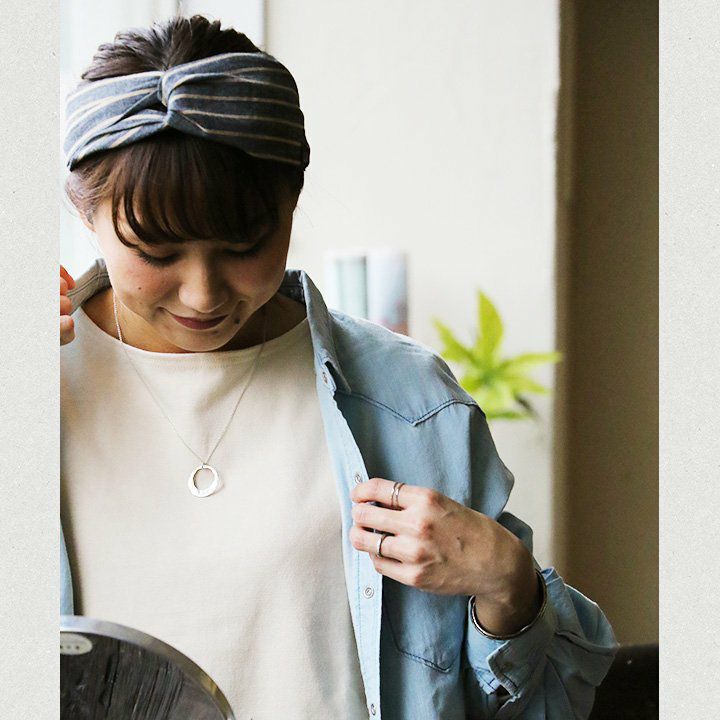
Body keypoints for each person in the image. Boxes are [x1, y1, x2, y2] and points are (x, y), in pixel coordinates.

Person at [59, 14, 618, 720]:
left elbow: (551, 703)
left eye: (243, 246)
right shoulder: (42, 390)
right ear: (84, 211)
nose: (202, 294)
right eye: (158, 252)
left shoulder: (410, 404)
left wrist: (510, 586)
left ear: (292, 201)